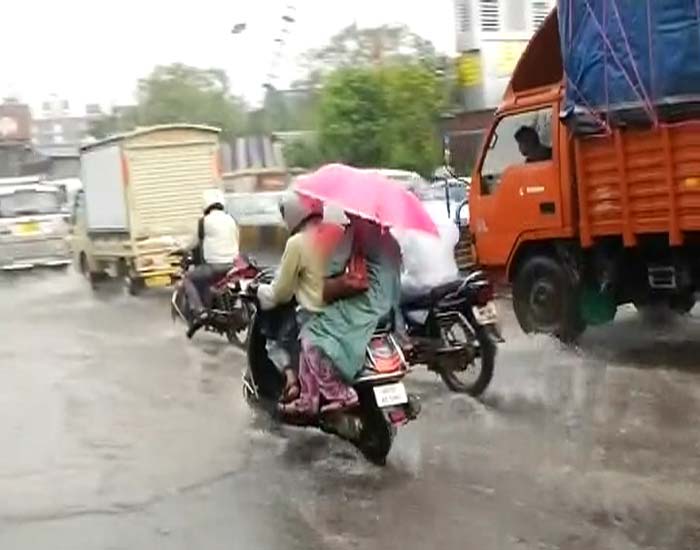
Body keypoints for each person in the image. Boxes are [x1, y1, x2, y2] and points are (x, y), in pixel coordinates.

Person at [281, 216, 402, 417]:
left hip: (367, 304)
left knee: (311, 334)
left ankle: (333, 395)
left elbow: (333, 266)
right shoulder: (389, 238)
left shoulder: (358, 231)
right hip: (389, 303)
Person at [257, 193, 343, 402]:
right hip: (342, 313)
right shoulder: (339, 234)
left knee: (274, 340)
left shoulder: (297, 243)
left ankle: (291, 380)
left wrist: (261, 290)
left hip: (312, 313)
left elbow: (282, 292)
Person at [183, 189, 240, 336]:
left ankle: (199, 310)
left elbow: (194, 243)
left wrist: (181, 248)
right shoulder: (231, 219)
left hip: (214, 267)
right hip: (234, 265)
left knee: (188, 279)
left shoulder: (204, 222)